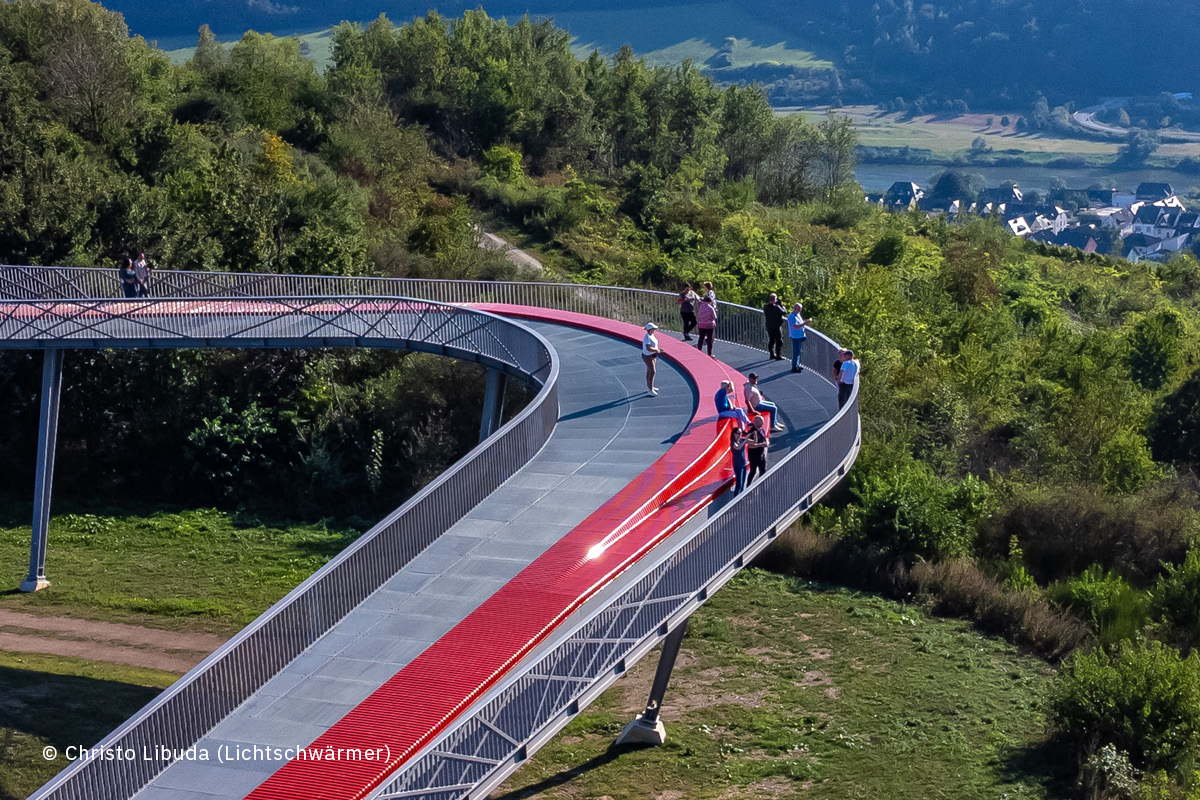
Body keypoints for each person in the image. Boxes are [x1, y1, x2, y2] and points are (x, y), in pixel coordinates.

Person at [787, 302, 813, 373]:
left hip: (799, 335)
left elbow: (799, 323)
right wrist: (805, 323)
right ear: (795, 308)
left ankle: (797, 364)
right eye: (798, 309)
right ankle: (794, 367)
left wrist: (804, 322)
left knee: (798, 351)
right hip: (795, 336)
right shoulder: (792, 316)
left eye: (800, 309)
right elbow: (795, 326)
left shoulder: (797, 315)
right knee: (796, 351)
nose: (799, 310)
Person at [746, 415, 769, 485]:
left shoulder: (761, 429)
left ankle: (761, 485)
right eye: (761, 422)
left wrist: (766, 442)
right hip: (754, 456)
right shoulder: (751, 432)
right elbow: (750, 445)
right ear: (756, 422)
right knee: (753, 471)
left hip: (761, 454)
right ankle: (748, 486)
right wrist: (761, 445)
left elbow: (765, 438)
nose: (763, 423)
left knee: (763, 470)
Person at [763, 294, 786, 360]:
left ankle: (772, 354)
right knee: (779, 341)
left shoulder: (766, 307)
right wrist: (783, 307)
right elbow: (784, 312)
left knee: (771, 340)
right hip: (776, 326)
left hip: (769, 326)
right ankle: (778, 355)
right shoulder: (776, 307)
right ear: (774, 299)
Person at [642, 322, 662, 395]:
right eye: (653, 329)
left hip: (653, 355)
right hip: (648, 356)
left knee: (649, 370)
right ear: (650, 329)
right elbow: (648, 348)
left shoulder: (651, 335)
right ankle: (650, 389)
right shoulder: (647, 337)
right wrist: (657, 350)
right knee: (652, 371)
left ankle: (650, 386)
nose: (654, 330)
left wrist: (656, 350)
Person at [729, 425, 749, 495]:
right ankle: (736, 497)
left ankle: (741, 496)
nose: (740, 435)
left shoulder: (741, 440)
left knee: (743, 483)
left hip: (744, 463)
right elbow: (738, 447)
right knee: (739, 483)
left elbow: (752, 442)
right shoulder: (733, 442)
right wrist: (745, 441)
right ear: (734, 434)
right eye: (738, 433)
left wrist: (754, 437)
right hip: (738, 465)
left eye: (741, 433)